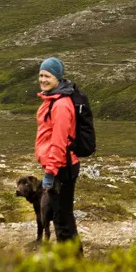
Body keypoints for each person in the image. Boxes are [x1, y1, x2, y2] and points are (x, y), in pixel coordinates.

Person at [33, 56, 80, 244]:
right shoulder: (52, 100)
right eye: (41, 75)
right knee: (62, 217)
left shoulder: (60, 105)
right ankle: (72, 262)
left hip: (63, 167)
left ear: (58, 78)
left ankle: (72, 264)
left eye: (48, 76)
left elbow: (59, 142)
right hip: (59, 166)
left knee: (62, 220)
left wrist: (50, 173)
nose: (43, 80)